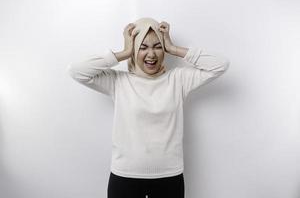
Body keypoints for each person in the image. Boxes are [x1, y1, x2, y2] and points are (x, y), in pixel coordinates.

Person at [67, 17, 230, 198]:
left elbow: (220, 65)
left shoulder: (178, 80)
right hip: (124, 176)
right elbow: (76, 71)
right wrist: (124, 52)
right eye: (143, 47)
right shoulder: (118, 81)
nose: (151, 54)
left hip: (169, 177)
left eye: (157, 46)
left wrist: (173, 48)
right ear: (135, 49)